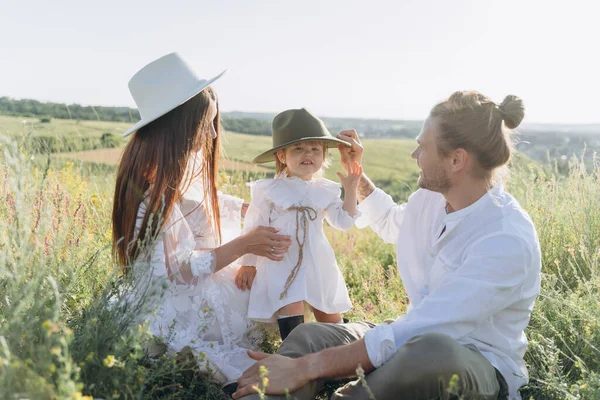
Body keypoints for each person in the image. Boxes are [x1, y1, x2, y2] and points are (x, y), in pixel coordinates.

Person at [234, 91, 542, 400]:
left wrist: (308, 367)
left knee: (428, 353)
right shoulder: (431, 199)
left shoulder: (505, 238)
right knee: (309, 335)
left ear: (456, 159)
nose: (414, 155)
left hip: (470, 359)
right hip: (407, 335)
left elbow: (429, 330)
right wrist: (358, 175)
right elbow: (393, 223)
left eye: (422, 147)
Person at [111, 52, 291, 390]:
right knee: (231, 310)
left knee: (258, 271)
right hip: (177, 292)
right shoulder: (149, 194)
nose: (211, 131)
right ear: (179, 126)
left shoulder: (172, 165)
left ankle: (299, 337)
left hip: (192, 276)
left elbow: (201, 197)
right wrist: (242, 245)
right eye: (205, 122)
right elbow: (178, 272)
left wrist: (243, 207)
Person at [234, 108, 362, 340]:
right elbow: (254, 225)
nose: (308, 154)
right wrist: (249, 263)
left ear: (324, 156)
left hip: (317, 260)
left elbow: (343, 222)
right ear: (282, 156)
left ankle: (342, 355)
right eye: (299, 148)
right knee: (290, 306)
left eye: (315, 149)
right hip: (282, 260)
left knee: (329, 312)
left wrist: (351, 190)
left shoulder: (326, 189)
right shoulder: (270, 190)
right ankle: (296, 358)